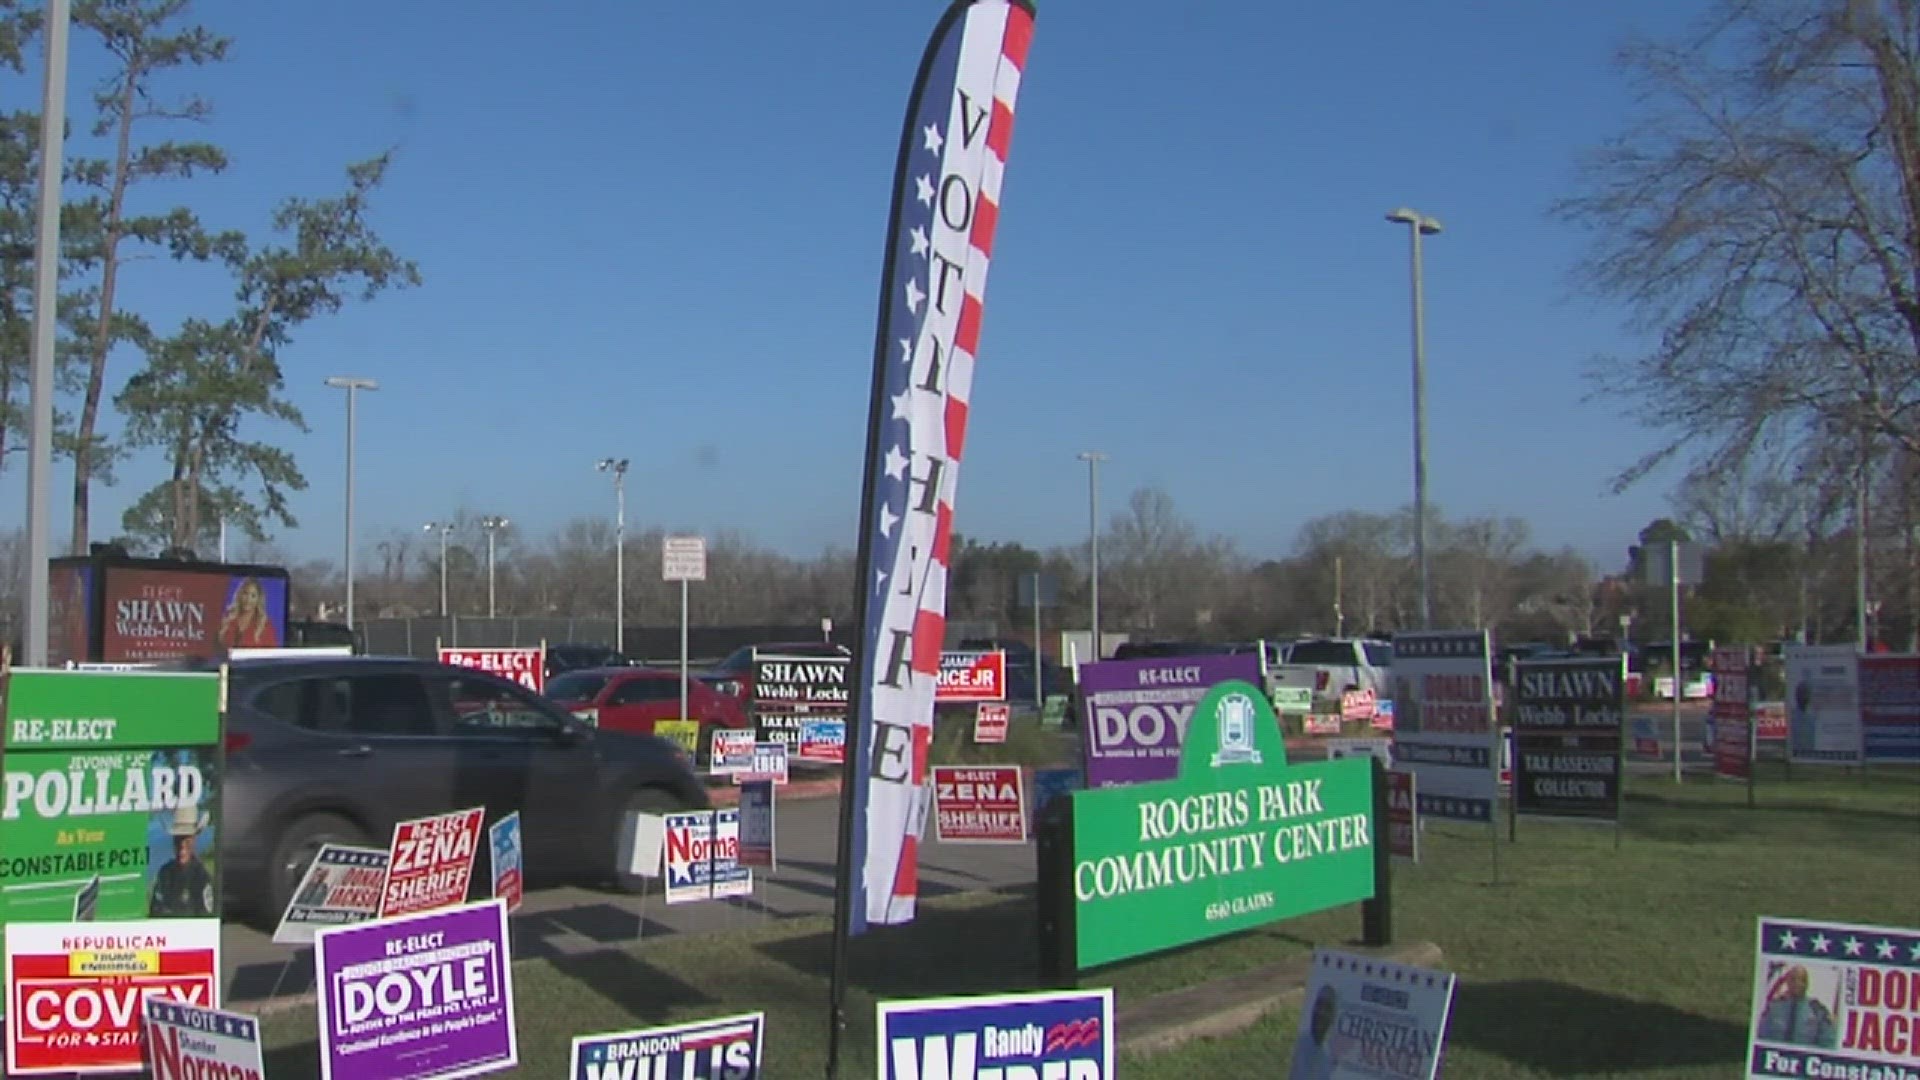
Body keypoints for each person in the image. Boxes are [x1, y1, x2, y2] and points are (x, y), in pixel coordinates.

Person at [150, 804, 215, 917]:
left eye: (187, 841)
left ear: (194, 840)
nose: (182, 847)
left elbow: (205, 918)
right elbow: (154, 910)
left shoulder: (201, 878)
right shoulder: (165, 873)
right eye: (178, 841)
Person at [1757, 965, 1838, 1048]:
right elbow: (1761, 1036)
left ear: (1807, 983)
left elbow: (1828, 1043)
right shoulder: (1774, 1007)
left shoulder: (1818, 1011)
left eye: (1802, 980)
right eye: (1793, 979)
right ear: (1787, 982)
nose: (1797, 983)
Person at [1290, 985, 1339, 1080]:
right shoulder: (1298, 1044)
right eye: (1319, 1004)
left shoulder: (1326, 1059)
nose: (1321, 1012)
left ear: (1333, 1017)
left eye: (1327, 1008)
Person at [219, 576, 280, 649]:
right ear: (240, 595)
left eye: (253, 596)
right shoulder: (227, 621)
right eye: (245, 593)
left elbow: (272, 655)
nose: (248, 599)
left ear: (258, 599)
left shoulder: (265, 626)